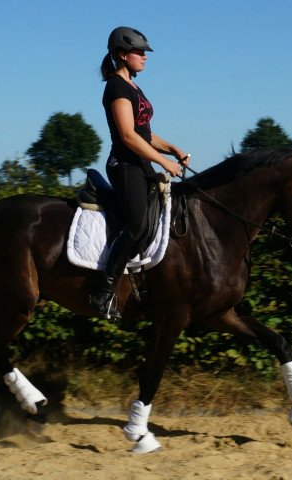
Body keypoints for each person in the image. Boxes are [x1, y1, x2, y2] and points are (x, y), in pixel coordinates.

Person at [88, 26, 190, 319]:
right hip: (125, 165)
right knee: (135, 223)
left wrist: (173, 149)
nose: (145, 57)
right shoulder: (116, 87)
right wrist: (163, 162)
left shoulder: (133, 86)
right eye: (139, 52)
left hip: (141, 162)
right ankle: (103, 292)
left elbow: (145, 132)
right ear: (122, 55)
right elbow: (128, 136)